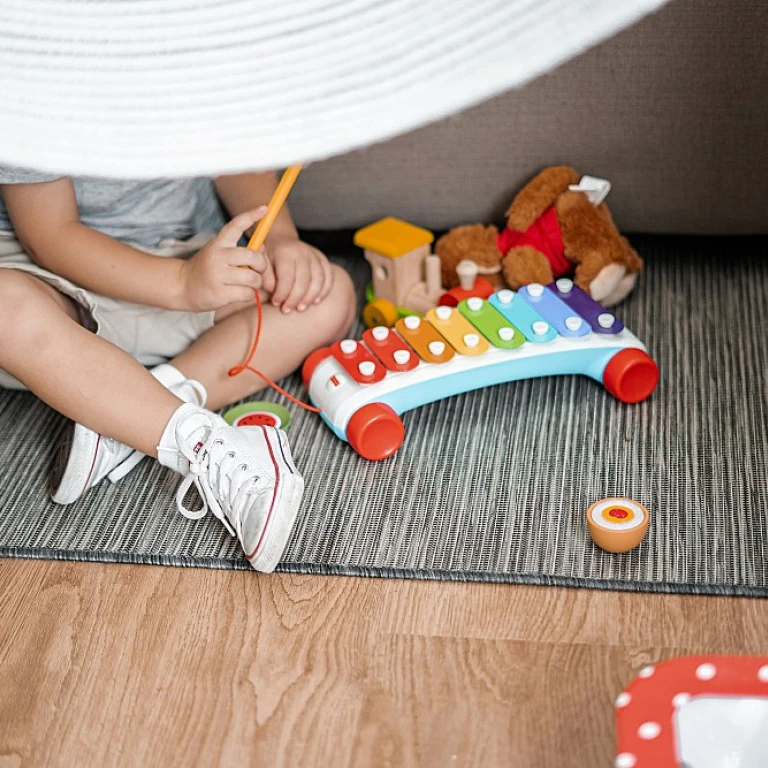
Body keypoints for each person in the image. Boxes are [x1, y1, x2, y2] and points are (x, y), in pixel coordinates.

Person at [0, 168, 357, 572]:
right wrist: (181, 284)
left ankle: (125, 415)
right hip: (50, 274)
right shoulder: (31, 106)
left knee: (330, 295)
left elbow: (236, 157)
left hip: (184, 254)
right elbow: (52, 235)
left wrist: (279, 239)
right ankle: (196, 439)